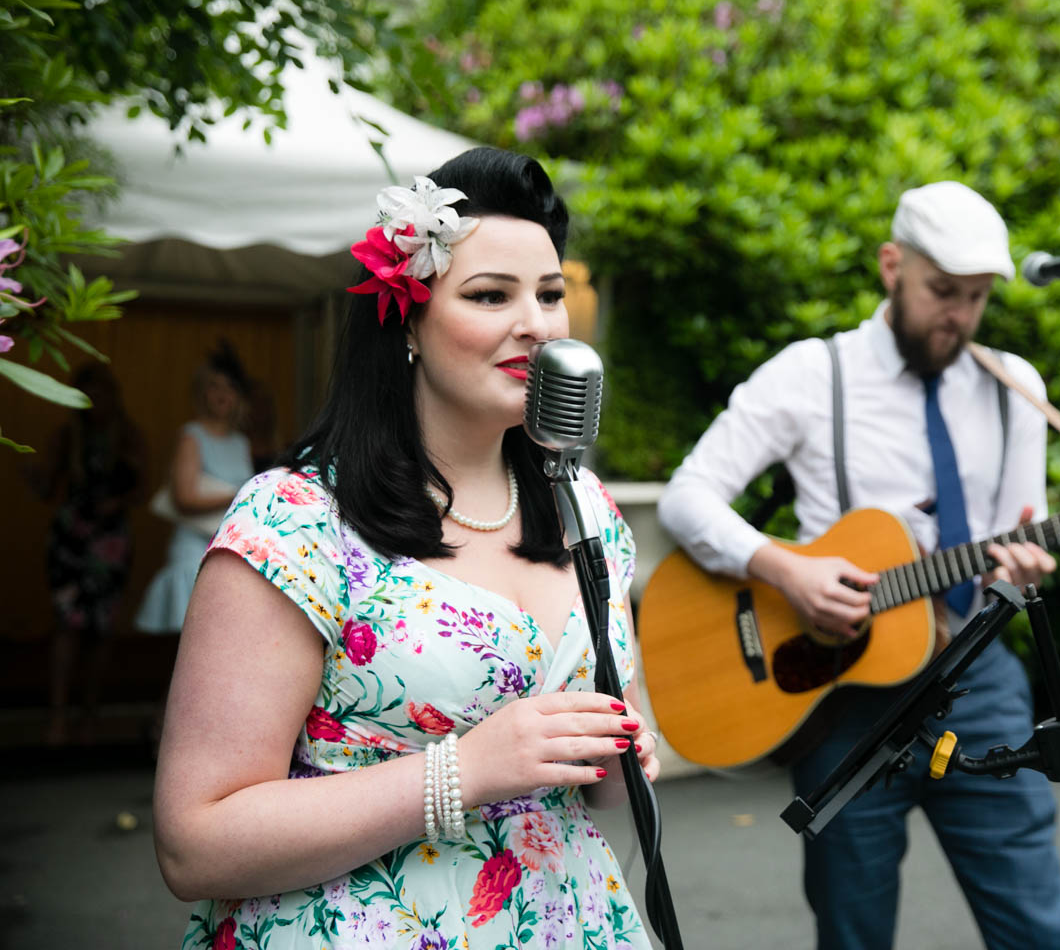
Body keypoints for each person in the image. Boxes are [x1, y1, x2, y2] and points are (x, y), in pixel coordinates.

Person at [152, 147, 658, 950]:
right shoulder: (297, 518)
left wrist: (616, 759)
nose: (537, 322)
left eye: (551, 294)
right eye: (491, 295)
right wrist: (466, 771)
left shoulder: (587, 511)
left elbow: (604, 783)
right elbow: (194, 840)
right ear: (409, 322)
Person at [658, 181, 1060, 950]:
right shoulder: (812, 375)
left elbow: (1016, 537)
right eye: (942, 291)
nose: (958, 314)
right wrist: (787, 571)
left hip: (978, 681)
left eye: (977, 297)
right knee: (853, 934)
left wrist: (1015, 580)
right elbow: (689, 497)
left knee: (1039, 928)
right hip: (840, 698)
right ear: (892, 265)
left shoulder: (1016, 389)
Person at [24, 363, 145, 745]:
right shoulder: (67, 437)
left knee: (100, 629)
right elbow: (48, 488)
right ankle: (58, 716)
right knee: (67, 625)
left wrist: (118, 502)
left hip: (109, 541)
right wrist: (31, 473)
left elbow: (142, 490)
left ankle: (90, 715)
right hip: (71, 539)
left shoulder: (128, 437)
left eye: (100, 394)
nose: (95, 404)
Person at [133, 341, 256, 636]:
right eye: (214, 386)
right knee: (191, 637)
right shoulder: (192, 436)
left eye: (229, 387)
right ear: (203, 392)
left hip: (230, 546)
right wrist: (240, 494)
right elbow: (184, 498)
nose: (222, 394)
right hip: (193, 550)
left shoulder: (242, 442)